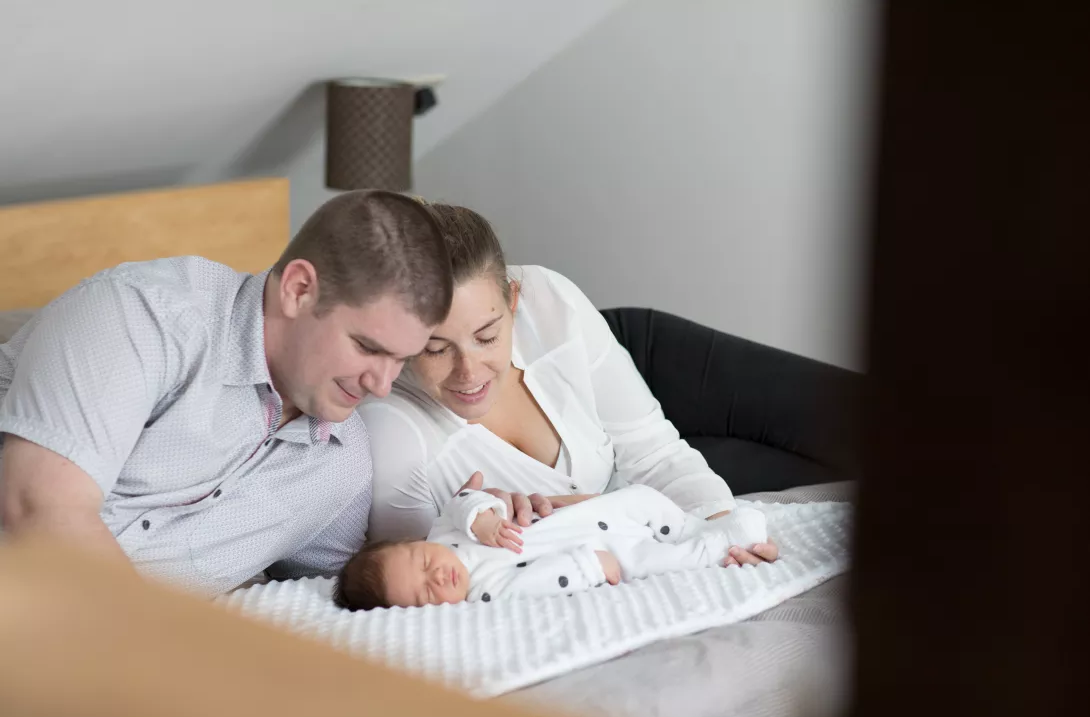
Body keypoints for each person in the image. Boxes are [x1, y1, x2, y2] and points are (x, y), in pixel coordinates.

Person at [0, 190, 452, 596]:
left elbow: (341, 594)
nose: (381, 385)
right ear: (299, 290)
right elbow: (40, 510)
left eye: (401, 360)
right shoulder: (144, 317)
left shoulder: (340, 465)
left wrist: (466, 530)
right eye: (368, 348)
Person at [360, 203, 779, 567]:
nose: (468, 372)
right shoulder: (392, 430)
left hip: (643, 357)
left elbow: (655, 455)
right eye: (435, 349)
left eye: (487, 337)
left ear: (513, 301)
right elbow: (417, 578)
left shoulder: (548, 300)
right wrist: (484, 524)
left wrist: (725, 529)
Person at [334, 484, 769, 610]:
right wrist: (589, 567)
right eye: (426, 594)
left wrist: (481, 516)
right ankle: (721, 545)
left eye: (422, 561)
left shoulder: (446, 532)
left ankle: (698, 526)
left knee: (643, 499)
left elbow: (461, 500)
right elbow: (538, 584)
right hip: (605, 553)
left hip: (590, 514)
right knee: (659, 562)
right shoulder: (483, 593)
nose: (436, 575)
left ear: (417, 543)